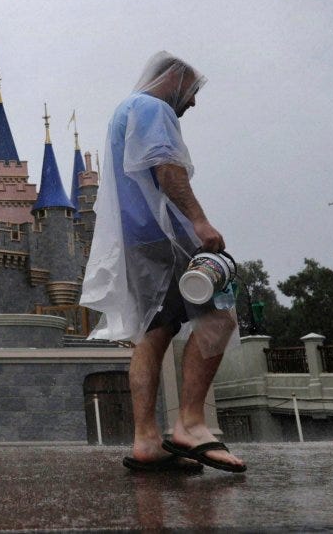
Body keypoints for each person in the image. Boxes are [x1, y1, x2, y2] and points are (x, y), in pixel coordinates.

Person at [80, 51, 245, 474]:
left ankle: (146, 441)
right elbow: (168, 169)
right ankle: (190, 424)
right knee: (219, 315)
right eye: (191, 92)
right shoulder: (153, 108)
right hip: (166, 234)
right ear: (173, 79)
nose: (192, 103)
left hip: (135, 241)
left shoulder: (123, 112)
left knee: (152, 333)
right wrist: (200, 222)